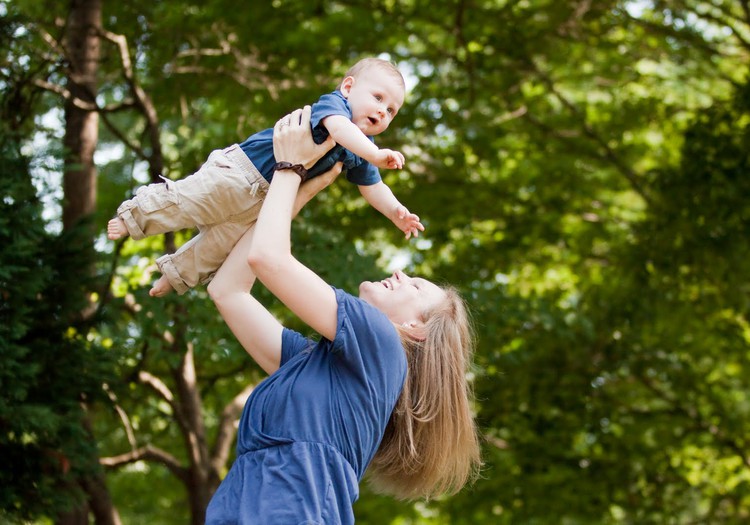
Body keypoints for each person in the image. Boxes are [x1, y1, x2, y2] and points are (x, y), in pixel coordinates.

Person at [203, 105, 481, 524]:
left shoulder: (384, 342)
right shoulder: (318, 367)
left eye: (416, 287)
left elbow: (268, 259)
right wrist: (299, 192)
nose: (401, 273)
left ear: (414, 330)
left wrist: (290, 166)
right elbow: (228, 291)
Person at [107, 57, 423, 297]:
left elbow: (373, 186)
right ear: (349, 87)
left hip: (269, 203)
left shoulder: (362, 149)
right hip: (243, 173)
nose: (383, 111)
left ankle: (173, 276)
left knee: (219, 246)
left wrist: (397, 212)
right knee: (189, 202)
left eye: (392, 110)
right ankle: (133, 217)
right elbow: (340, 130)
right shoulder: (334, 107)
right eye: (378, 98)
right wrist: (377, 156)